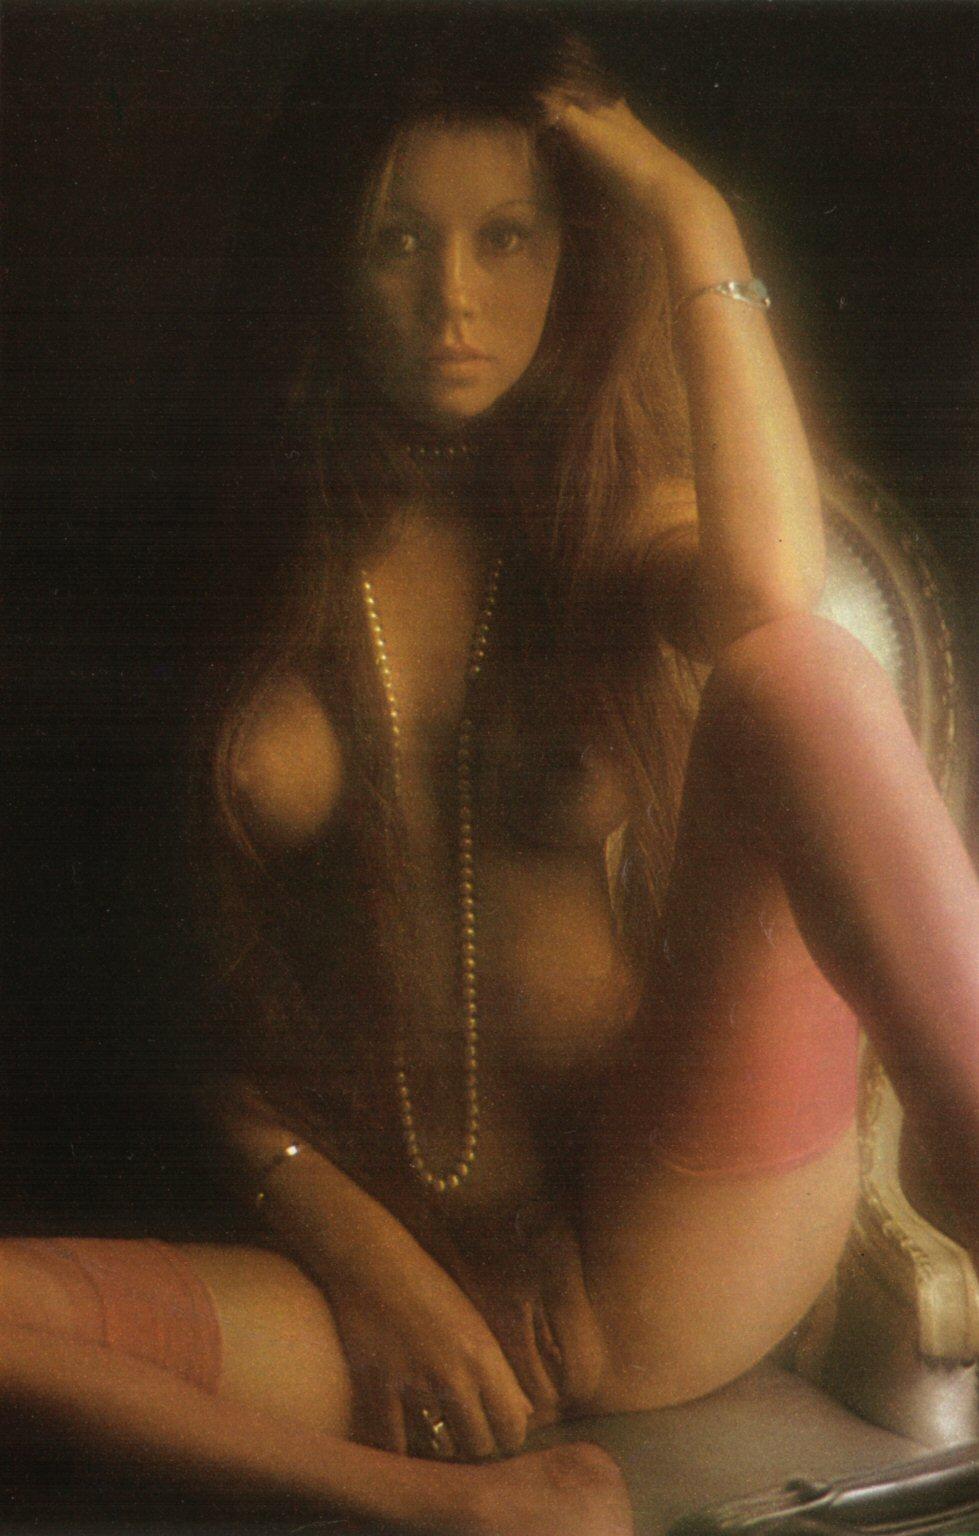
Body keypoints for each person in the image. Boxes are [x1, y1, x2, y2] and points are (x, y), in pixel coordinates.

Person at [3, 18, 977, 1536]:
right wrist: (364, 1257)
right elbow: (166, 1010)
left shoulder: (607, 527)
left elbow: (769, 598)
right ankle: (452, 1512)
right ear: (325, 258)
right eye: (399, 238)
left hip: (659, 1233)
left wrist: (690, 215)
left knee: (793, 667)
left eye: (506, 238)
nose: (453, 297)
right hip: (384, 1289)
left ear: (571, 259)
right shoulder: (224, 571)